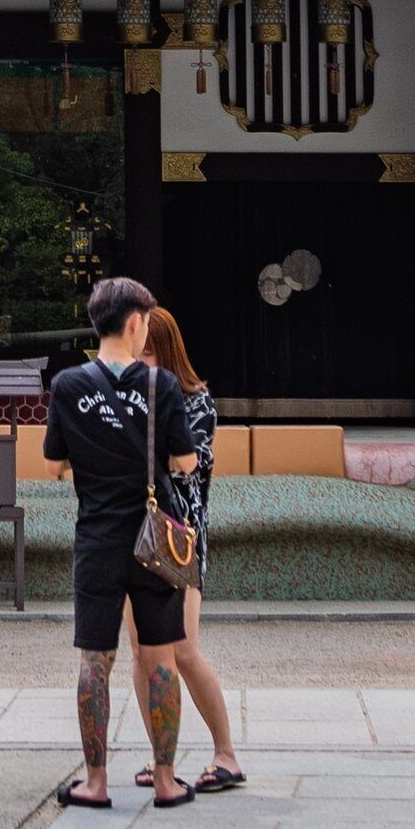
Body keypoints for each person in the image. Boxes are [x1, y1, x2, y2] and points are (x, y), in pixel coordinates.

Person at [43, 274, 197, 812]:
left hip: (98, 539)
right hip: (153, 541)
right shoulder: (161, 385)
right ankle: (166, 780)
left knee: (95, 659)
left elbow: (54, 464)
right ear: (135, 323)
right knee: (160, 658)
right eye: (146, 323)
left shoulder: (67, 386)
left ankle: (96, 782)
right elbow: (186, 462)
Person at [142, 305, 243, 793]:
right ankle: (162, 759)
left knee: (182, 650)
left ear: (165, 350)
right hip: (132, 533)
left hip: (179, 537)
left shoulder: (195, 401)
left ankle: (226, 754)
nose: (138, 360)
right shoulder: (125, 397)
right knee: (144, 653)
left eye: (146, 351)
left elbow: (187, 463)